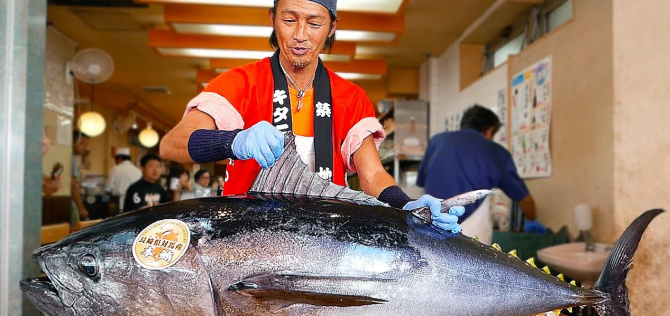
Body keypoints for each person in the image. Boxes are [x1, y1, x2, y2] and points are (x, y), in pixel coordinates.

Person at [159, 0, 463, 232]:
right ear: (272, 18)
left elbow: (371, 175)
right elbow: (171, 145)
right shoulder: (239, 84)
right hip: (246, 241)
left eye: (314, 23)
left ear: (332, 27)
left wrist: (407, 205)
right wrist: (233, 141)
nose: (299, 35)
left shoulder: (350, 97)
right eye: (289, 20)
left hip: (326, 241)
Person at [416, 104, 547, 244]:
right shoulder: (495, 151)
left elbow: (423, 182)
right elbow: (525, 199)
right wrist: (531, 220)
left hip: (430, 228)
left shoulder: (437, 141)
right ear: (490, 130)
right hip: (470, 232)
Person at [105, 147, 142, 213]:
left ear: (119, 158)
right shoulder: (138, 171)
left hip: (119, 204)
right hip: (135, 204)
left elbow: (108, 188)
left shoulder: (115, 169)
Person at [71, 130, 89, 226]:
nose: (85, 147)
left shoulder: (69, 157)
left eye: (86, 144)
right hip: (72, 206)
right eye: (82, 143)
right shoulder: (72, 159)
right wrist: (81, 208)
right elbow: (73, 185)